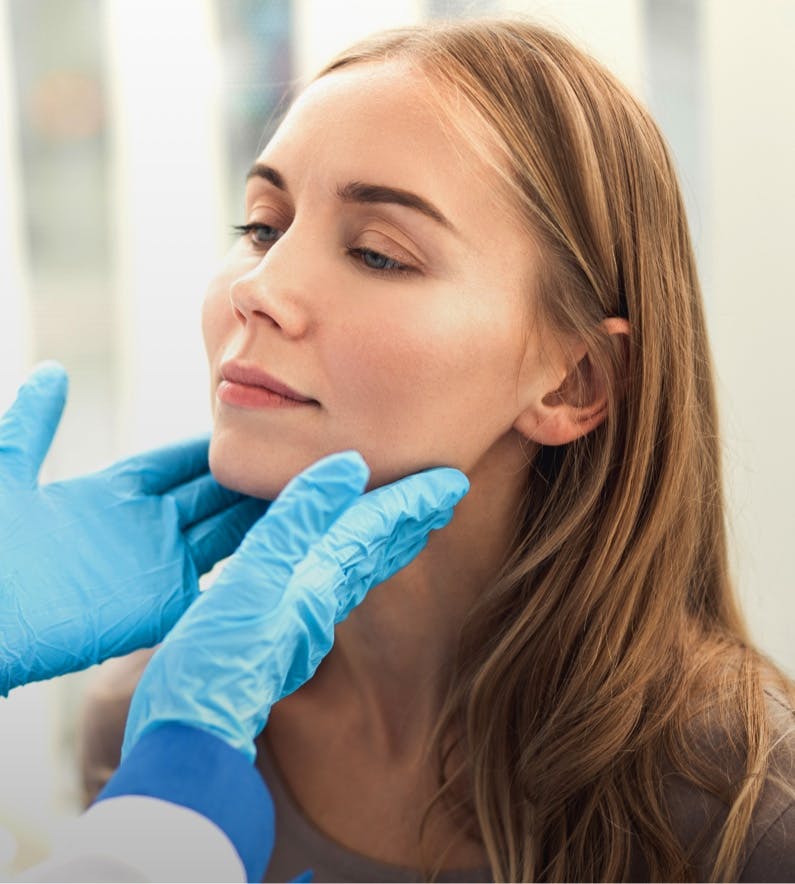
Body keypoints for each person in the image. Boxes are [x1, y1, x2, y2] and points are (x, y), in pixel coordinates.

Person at [79, 16, 795, 883]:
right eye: (263, 226)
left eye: (377, 255)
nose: (258, 289)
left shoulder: (744, 807)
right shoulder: (163, 724)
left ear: (573, 384)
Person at [2, 364, 468, 881]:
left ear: (569, 386)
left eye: (385, 273)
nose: (249, 294)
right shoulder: (135, 718)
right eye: (246, 272)